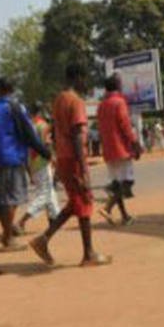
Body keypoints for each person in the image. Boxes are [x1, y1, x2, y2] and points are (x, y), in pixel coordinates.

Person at [29, 63, 111, 268]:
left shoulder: (58, 100)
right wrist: (83, 169)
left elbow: (56, 131)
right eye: (85, 78)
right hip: (74, 158)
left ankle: (44, 239)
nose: (86, 83)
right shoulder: (75, 101)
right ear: (78, 77)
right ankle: (88, 253)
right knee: (83, 201)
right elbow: (77, 135)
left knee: (76, 203)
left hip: (63, 158)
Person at [0, 77, 52, 249]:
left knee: (5, 198)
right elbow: (29, 133)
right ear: (12, 90)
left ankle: (6, 236)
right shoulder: (15, 107)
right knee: (12, 198)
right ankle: (8, 238)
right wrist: (45, 152)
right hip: (12, 157)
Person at [97, 74, 142, 227]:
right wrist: (135, 143)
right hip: (121, 148)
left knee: (117, 183)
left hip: (108, 150)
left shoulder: (102, 105)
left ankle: (124, 216)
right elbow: (125, 126)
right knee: (128, 182)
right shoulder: (119, 102)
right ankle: (107, 207)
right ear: (117, 86)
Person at [13, 101, 59, 234]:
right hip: (43, 161)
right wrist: (53, 158)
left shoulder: (29, 125)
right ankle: (22, 221)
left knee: (49, 192)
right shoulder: (43, 125)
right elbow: (45, 145)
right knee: (44, 194)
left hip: (32, 162)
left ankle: (55, 219)